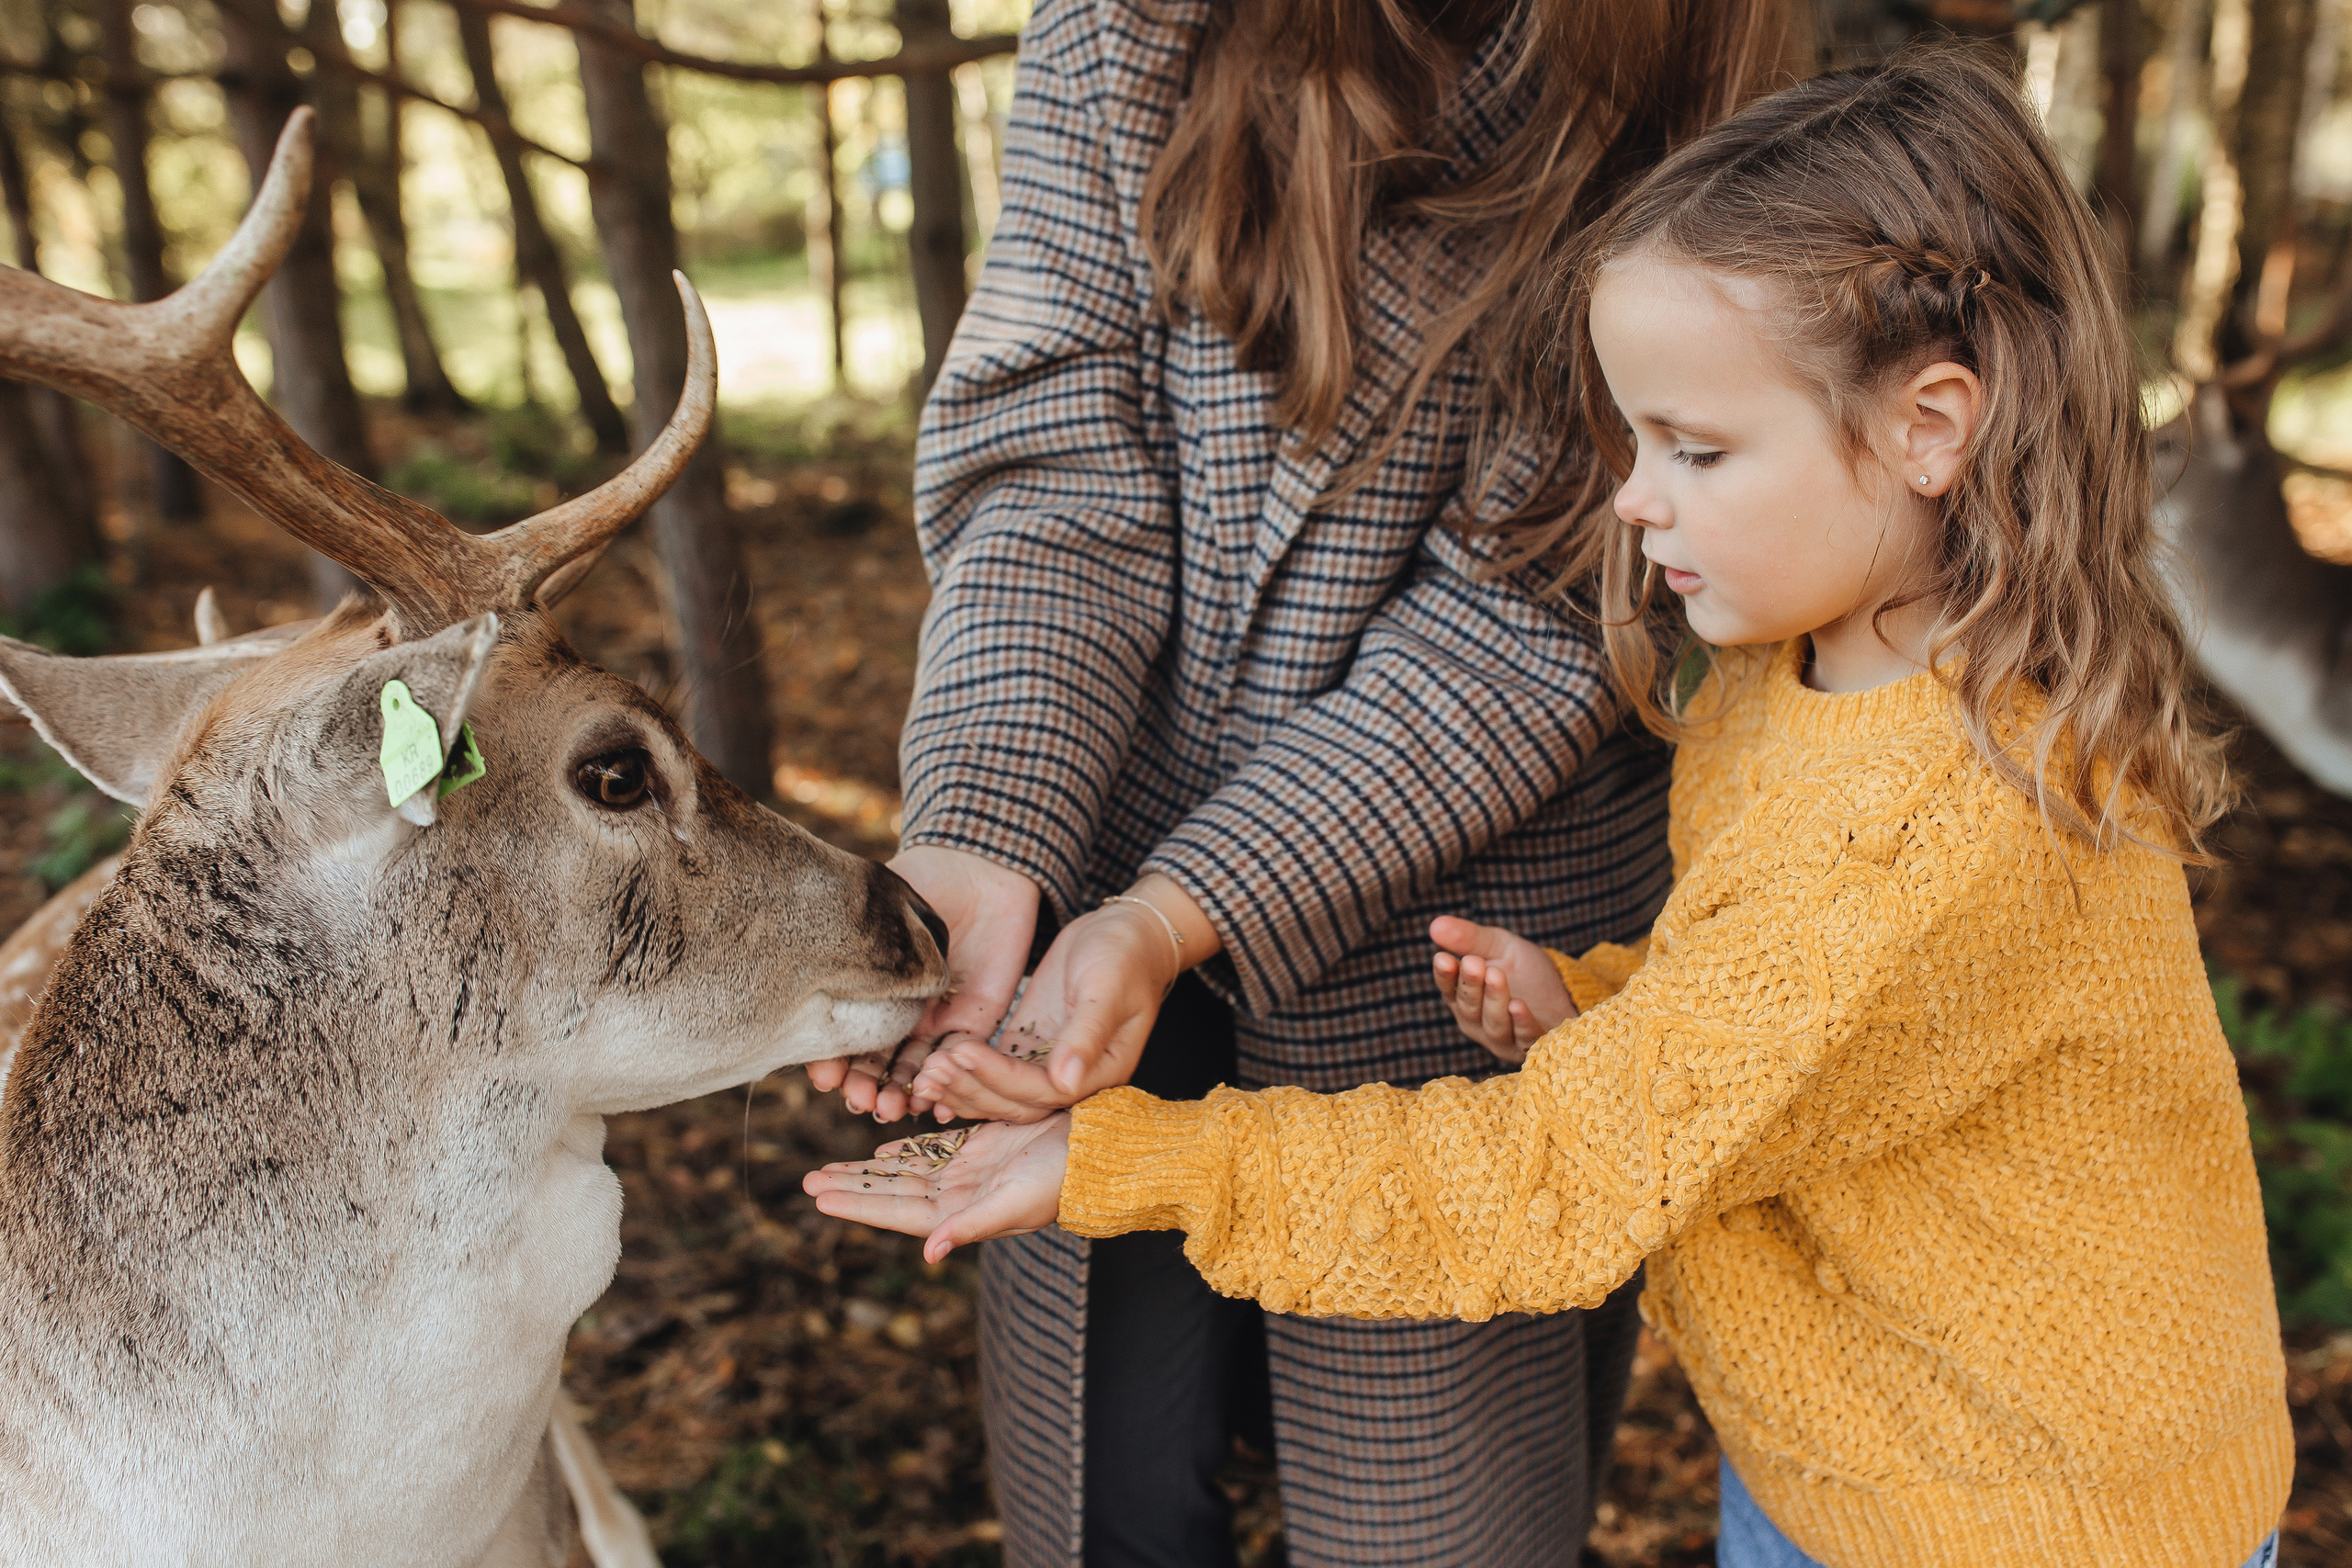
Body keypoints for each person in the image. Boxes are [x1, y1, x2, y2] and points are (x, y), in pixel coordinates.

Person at [809, 50, 2295, 1568]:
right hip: (1850, 1463)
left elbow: (1553, 1185)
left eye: (1696, 450)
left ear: (1931, 426)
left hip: (2031, 1526)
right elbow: (1793, 1013)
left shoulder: (1935, 827)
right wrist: (1604, 1007)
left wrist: (1119, 1161)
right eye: (1633, 440)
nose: (1633, 499)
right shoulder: (1802, 675)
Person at [801, 1, 1786, 1563]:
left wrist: (1188, 909)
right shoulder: (1129, 27)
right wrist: (983, 837)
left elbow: (1540, 616)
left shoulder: (1687, 56)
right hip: (1088, 904)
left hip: (1467, 943)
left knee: (1430, 1520)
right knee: (1111, 1502)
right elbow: (1052, 466)